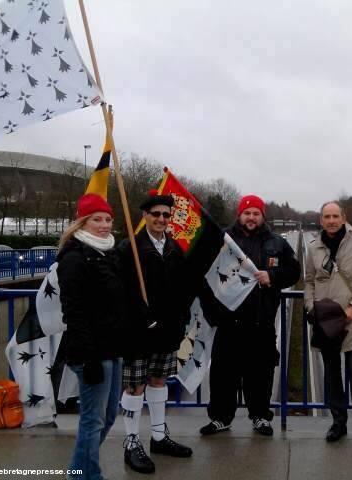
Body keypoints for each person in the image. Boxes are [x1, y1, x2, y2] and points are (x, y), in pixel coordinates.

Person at [199, 195, 300, 436]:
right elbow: (204, 274)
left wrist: (272, 278)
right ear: (239, 215)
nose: (251, 217)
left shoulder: (277, 243)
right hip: (229, 322)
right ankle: (221, 418)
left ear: (262, 216)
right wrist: (213, 313)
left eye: (256, 213)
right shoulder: (222, 240)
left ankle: (260, 417)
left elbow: (293, 271)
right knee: (224, 375)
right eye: (247, 213)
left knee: (260, 374)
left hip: (261, 322)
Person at [118, 190, 193, 474]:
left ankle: (159, 437)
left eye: (165, 214)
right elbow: (122, 291)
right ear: (145, 216)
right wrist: (140, 315)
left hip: (167, 328)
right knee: (135, 386)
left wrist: (181, 318)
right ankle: (131, 442)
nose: (161, 219)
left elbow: (183, 289)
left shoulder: (175, 249)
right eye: (155, 214)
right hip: (138, 331)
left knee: (159, 381)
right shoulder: (129, 249)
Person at [57, 193, 125, 480]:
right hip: (91, 352)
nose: (104, 225)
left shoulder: (108, 253)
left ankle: (79, 470)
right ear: (82, 222)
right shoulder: (74, 258)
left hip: (112, 347)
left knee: (108, 417)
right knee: (93, 420)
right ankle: (86, 475)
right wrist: (89, 358)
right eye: (97, 219)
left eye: (108, 219)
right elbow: (75, 313)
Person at [304, 201, 352, 454]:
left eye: (336, 216)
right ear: (321, 220)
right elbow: (309, 281)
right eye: (327, 216)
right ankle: (338, 423)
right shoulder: (314, 247)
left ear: (343, 217)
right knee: (332, 375)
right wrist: (310, 307)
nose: (332, 220)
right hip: (326, 322)